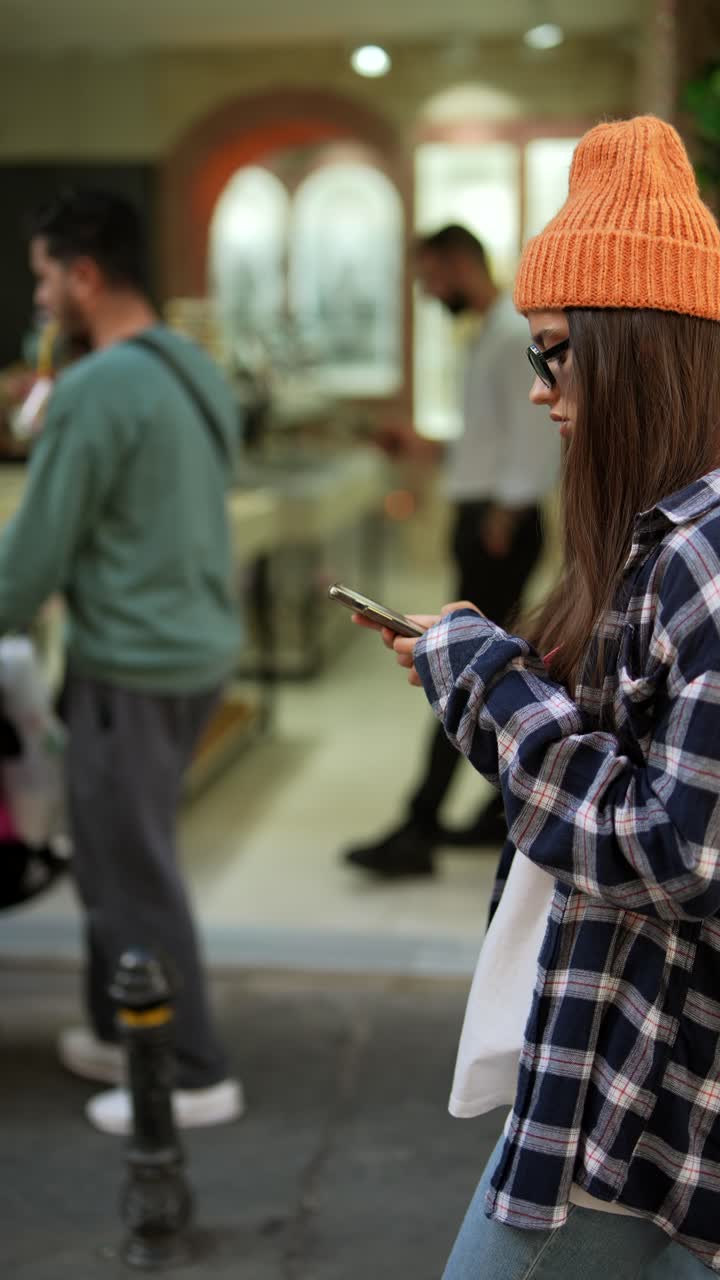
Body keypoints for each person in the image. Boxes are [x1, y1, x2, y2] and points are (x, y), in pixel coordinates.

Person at [355, 116, 720, 1276]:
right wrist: (476, 687)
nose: (541, 388)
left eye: (554, 350)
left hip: (638, 1091)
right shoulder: (660, 536)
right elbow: (610, 775)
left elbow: (678, 850)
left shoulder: (703, 556)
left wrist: (495, 683)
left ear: (636, 350)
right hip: (610, 1064)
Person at [1, 188, 244, 1136]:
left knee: (129, 865)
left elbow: (35, 553)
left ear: (84, 274)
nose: (41, 298)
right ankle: (124, 1031)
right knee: (111, 854)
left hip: (131, 663)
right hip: (193, 653)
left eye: (45, 278)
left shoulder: (99, 386)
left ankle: (190, 1068)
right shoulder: (191, 366)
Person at [344, 225, 559, 877]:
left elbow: (532, 435)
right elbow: (485, 445)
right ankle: (494, 808)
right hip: (489, 513)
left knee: (460, 666)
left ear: (463, 264)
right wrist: (421, 446)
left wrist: (507, 511)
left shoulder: (507, 334)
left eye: (432, 276)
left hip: (500, 523)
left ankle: (422, 823)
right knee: (475, 664)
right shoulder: (486, 335)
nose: (427, 290)